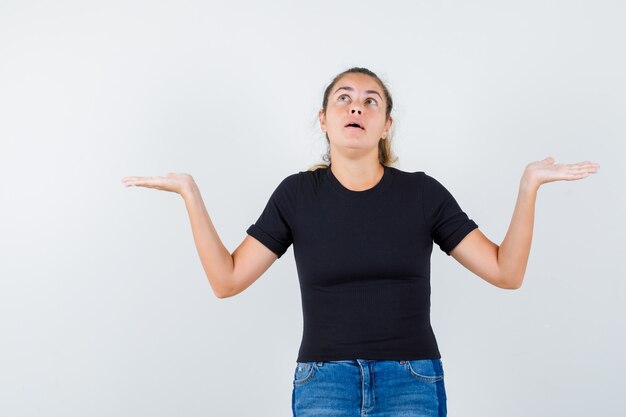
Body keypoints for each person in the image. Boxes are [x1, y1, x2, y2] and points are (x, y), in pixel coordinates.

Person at [121, 67, 600, 417]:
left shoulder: (422, 193)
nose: (357, 106)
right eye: (344, 98)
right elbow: (226, 280)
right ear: (325, 120)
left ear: (386, 124)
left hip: (411, 380)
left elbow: (506, 272)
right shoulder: (296, 195)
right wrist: (190, 193)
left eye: (372, 100)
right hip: (323, 384)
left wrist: (528, 185)